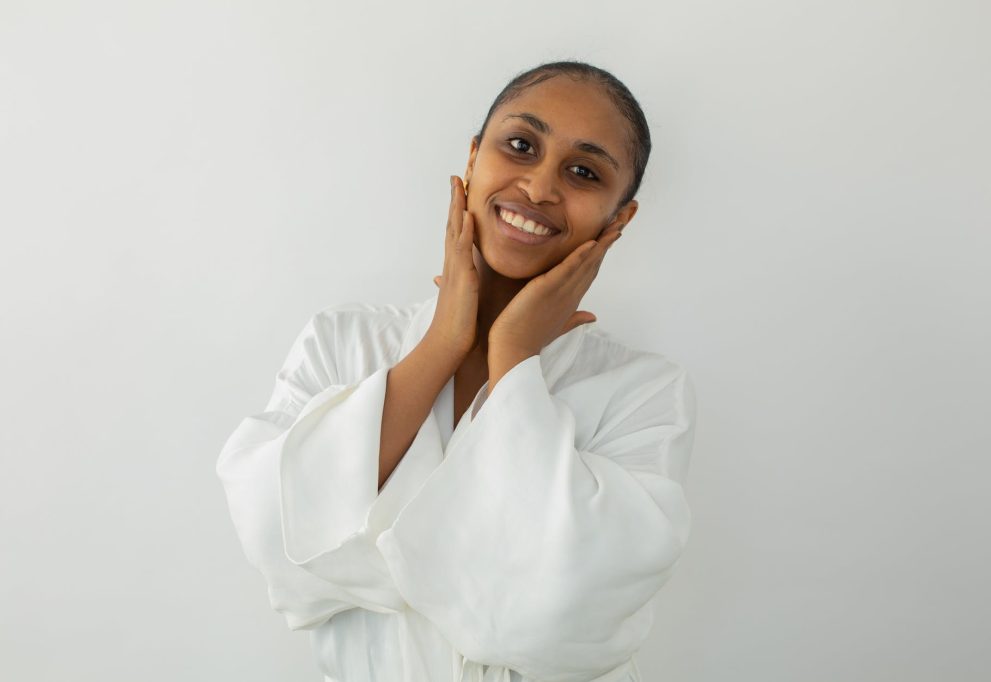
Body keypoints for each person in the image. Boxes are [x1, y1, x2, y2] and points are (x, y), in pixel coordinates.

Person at [216, 59, 698, 682]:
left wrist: (515, 358)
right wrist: (445, 339)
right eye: (520, 145)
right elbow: (274, 541)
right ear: (473, 158)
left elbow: (561, 618)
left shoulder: (646, 394)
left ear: (618, 219)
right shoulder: (344, 342)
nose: (540, 187)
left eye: (583, 171)